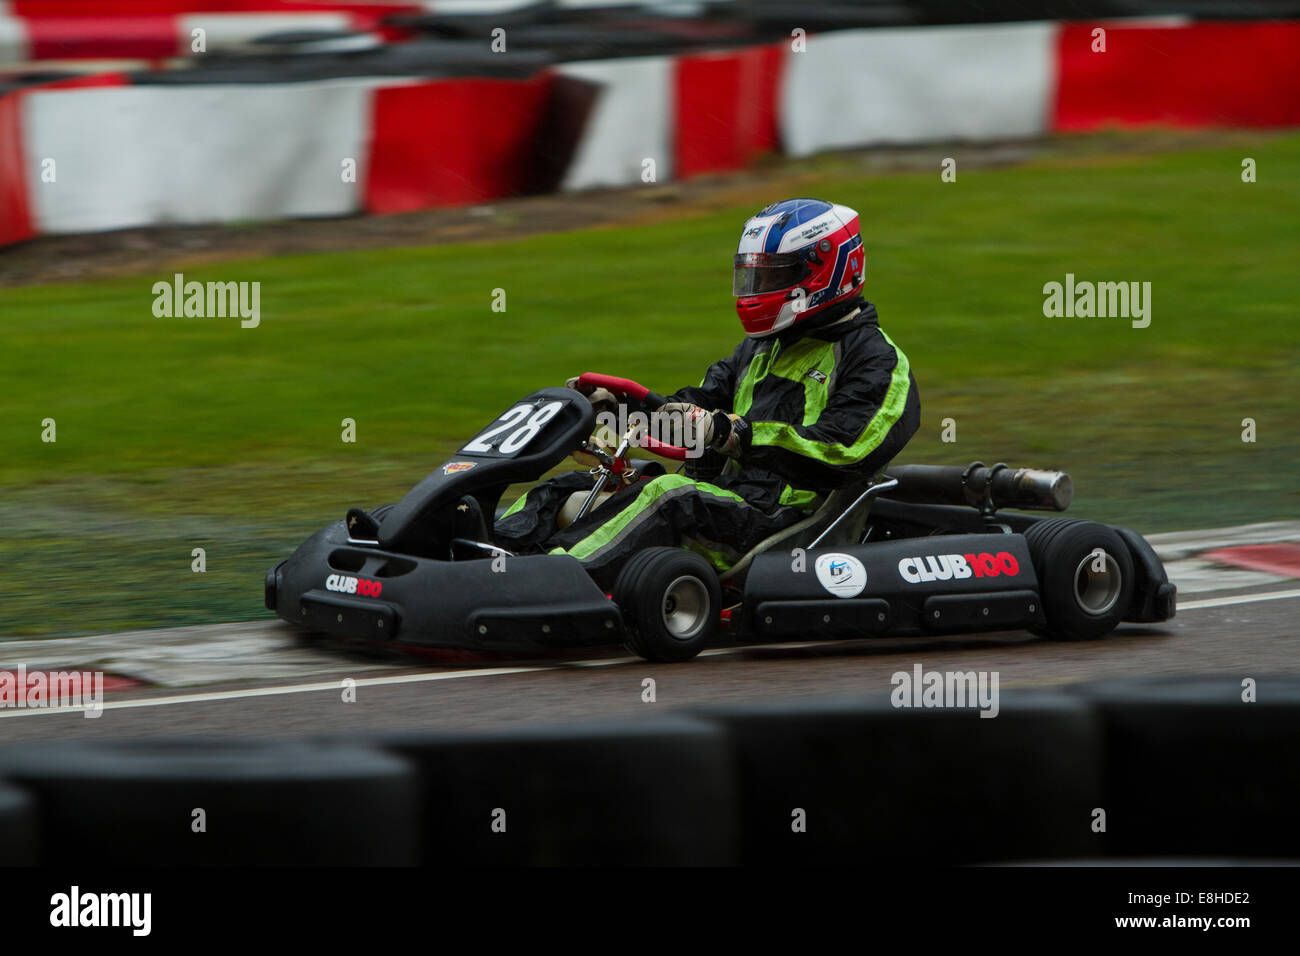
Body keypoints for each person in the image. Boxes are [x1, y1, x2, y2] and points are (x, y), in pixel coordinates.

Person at [495, 198, 921, 586]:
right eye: (754, 275)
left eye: (774, 275)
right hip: (724, 502)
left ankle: (538, 584)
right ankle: (487, 559)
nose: (757, 289)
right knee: (575, 484)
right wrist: (617, 414)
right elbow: (692, 412)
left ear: (826, 268)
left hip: (785, 524)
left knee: (668, 495)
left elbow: (844, 453)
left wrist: (736, 434)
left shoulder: (876, 361)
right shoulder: (761, 349)